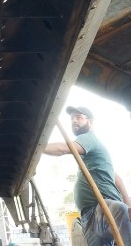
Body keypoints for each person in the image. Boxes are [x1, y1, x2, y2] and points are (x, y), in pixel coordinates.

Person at [43, 105, 131, 246]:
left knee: (120, 211)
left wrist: (37, 146)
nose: (74, 120)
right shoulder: (91, 158)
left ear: (90, 122)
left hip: (103, 208)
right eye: (72, 118)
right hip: (88, 214)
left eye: (79, 117)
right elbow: (116, 177)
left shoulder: (89, 138)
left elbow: (63, 149)